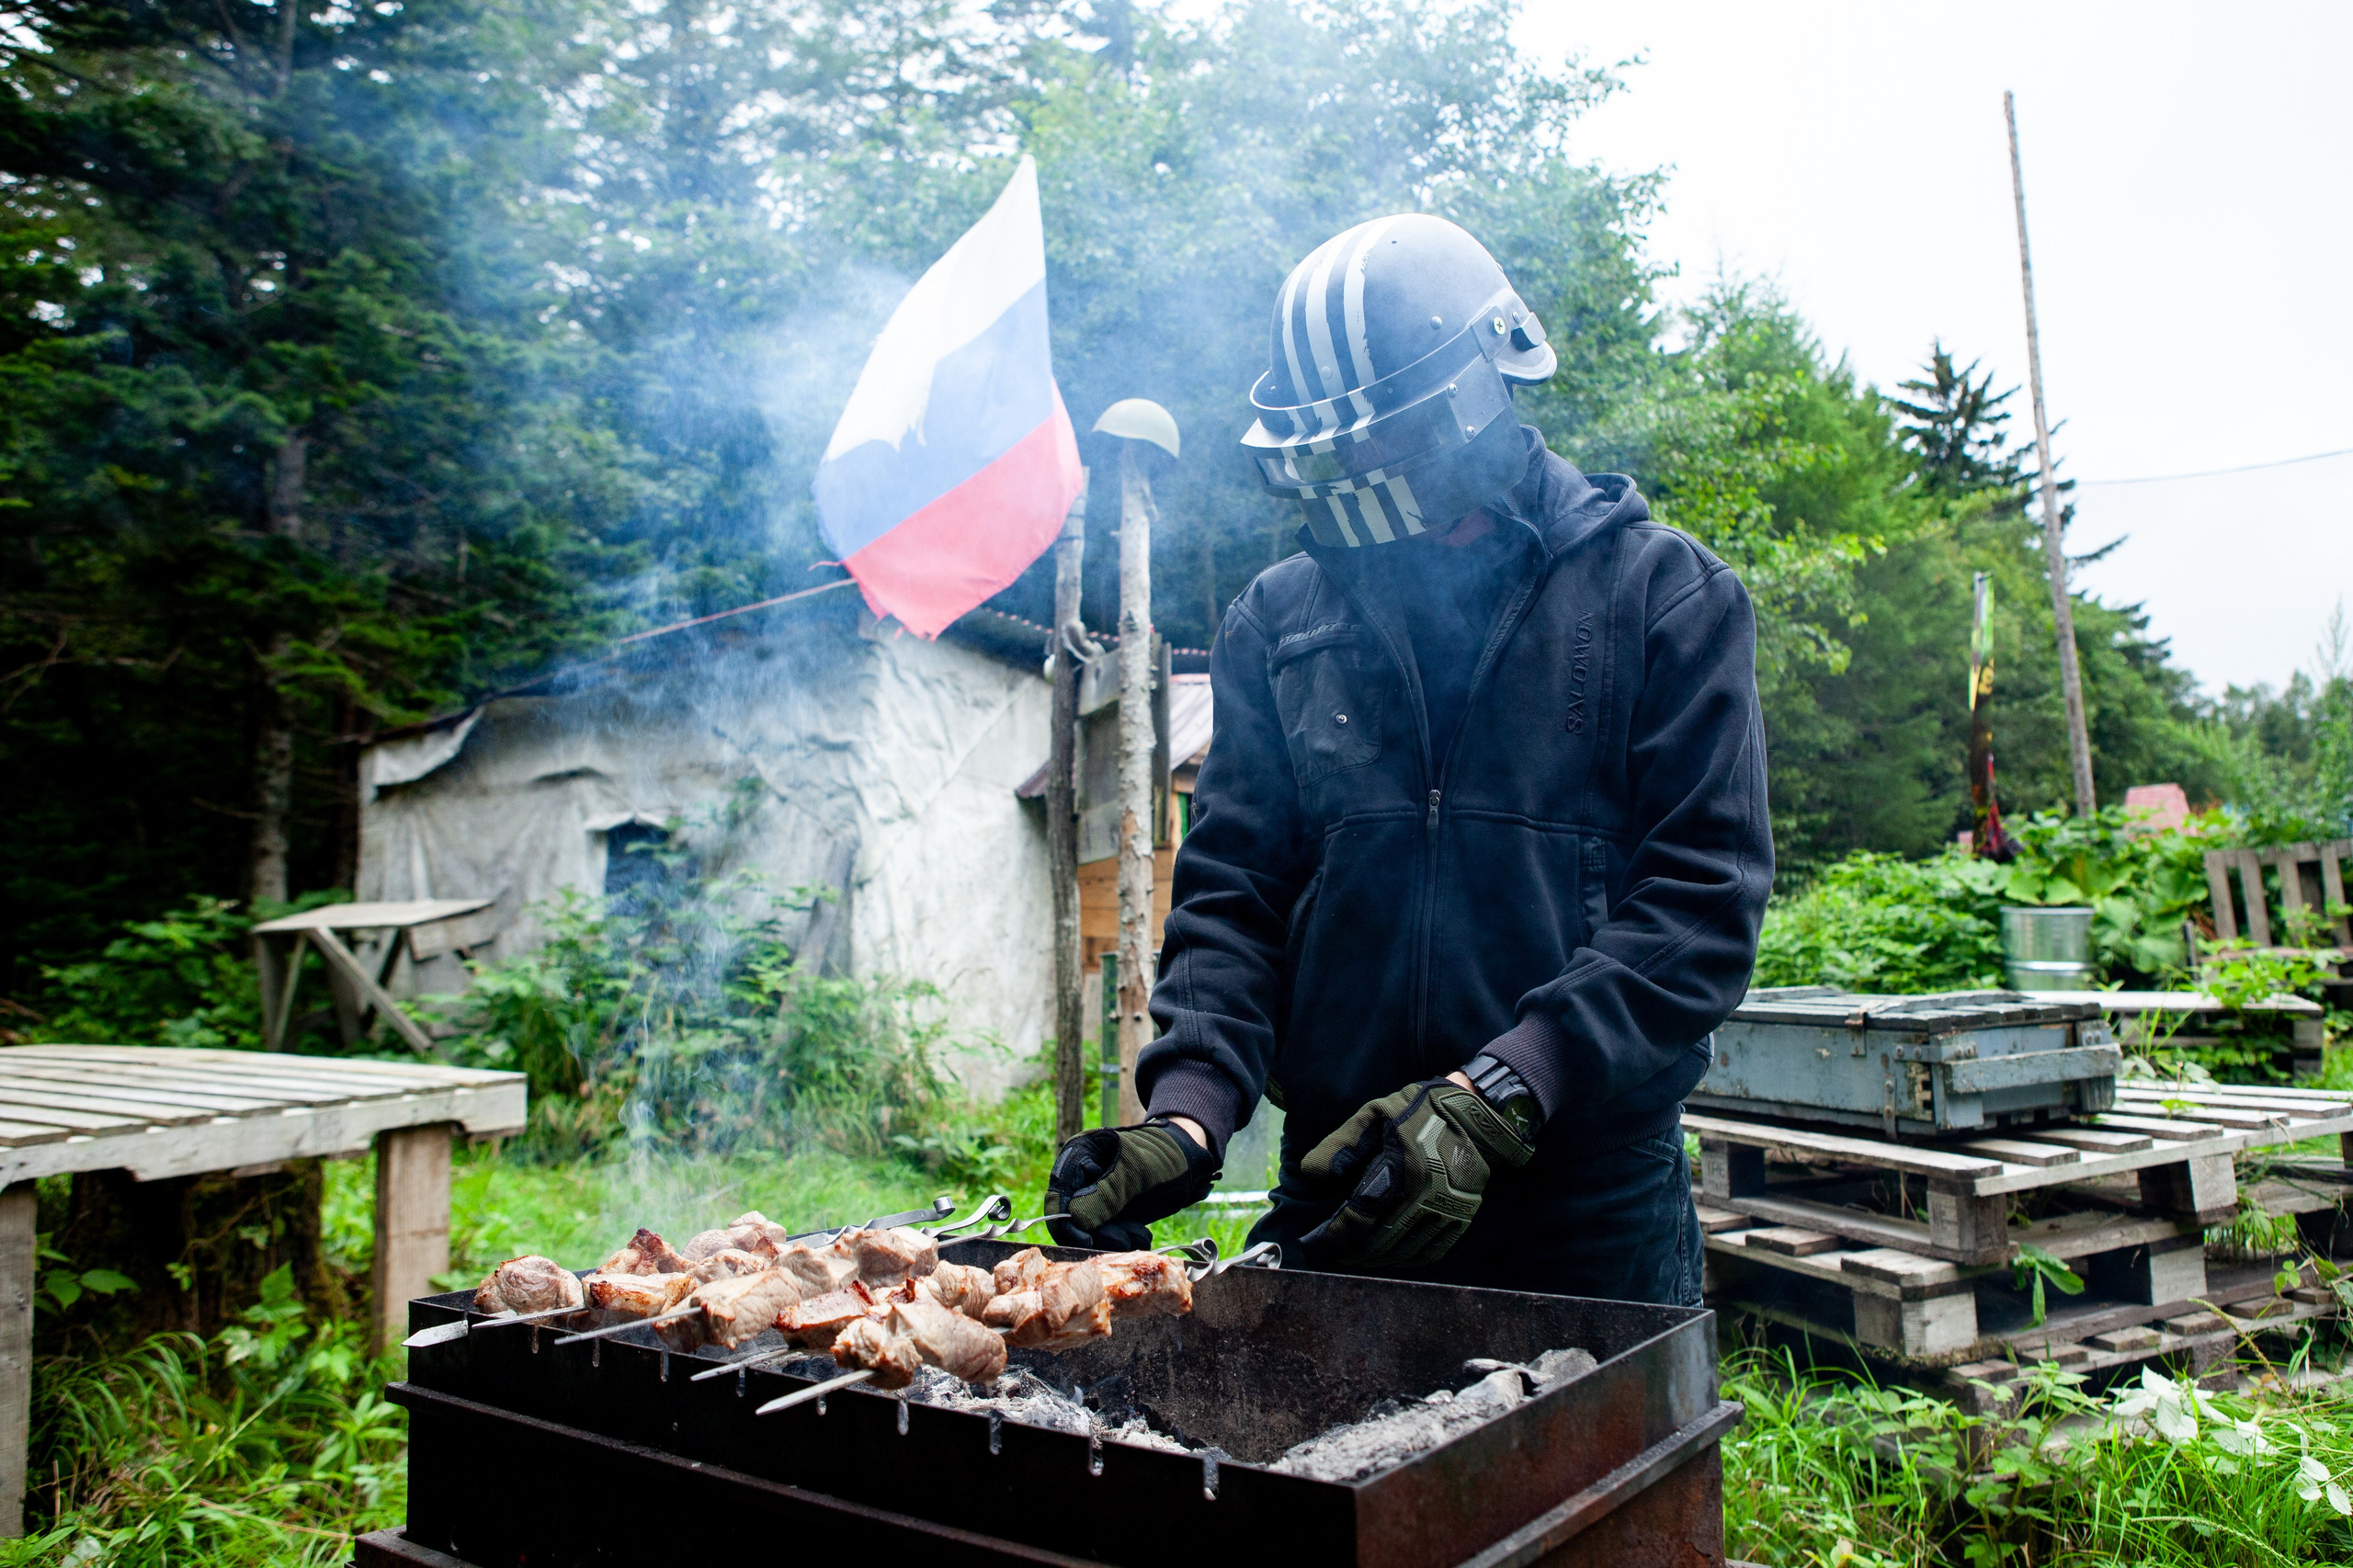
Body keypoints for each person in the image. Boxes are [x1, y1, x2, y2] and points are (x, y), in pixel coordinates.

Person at [1045, 215, 1771, 1304]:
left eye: (1381, 438)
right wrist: (1186, 1112)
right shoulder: (1282, 620)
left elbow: (1700, 902)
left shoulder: (1661, 596)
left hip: (1587, 1204)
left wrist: (1501, 1090)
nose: (1359, 467)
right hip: (1347, 1180)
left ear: (1470, 403)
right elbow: (1236, 890)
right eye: (1338, 447)